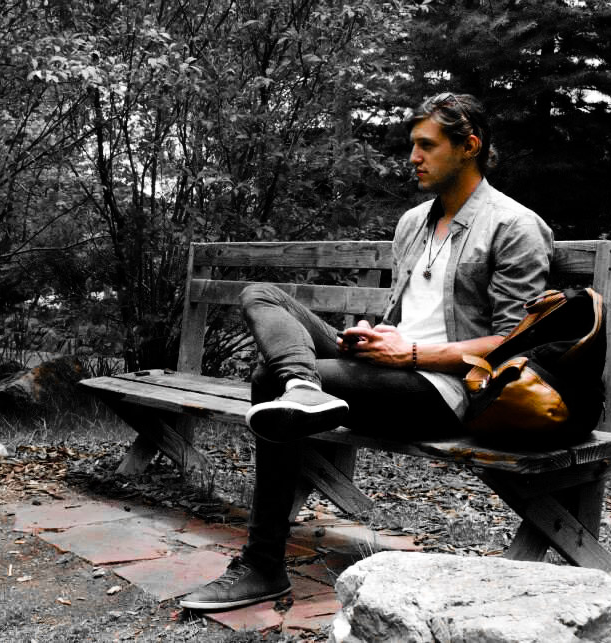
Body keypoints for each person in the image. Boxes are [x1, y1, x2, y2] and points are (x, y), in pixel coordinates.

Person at [179, 93, 554, 611]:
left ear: (470, 146)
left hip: (447, 390)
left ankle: (264, 565)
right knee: (262, 294)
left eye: (427, 145)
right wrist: (374, 335)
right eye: (412, 145)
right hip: (392, 365)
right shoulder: (413, 223)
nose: (413, 157)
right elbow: (407, 314)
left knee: (268, 380)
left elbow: (513, 346)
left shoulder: (514, 226)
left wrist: (411, 353)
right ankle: (304, 384)